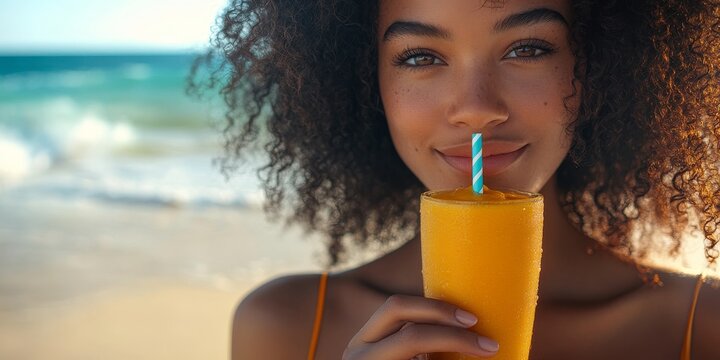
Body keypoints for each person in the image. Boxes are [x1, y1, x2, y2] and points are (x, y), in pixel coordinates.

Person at [191, 0, 720, 358]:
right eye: (420, 57)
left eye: (527, 48)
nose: (475, 109)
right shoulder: (283, 328)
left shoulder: (704, 328)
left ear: (600, 65)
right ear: (366, 82)